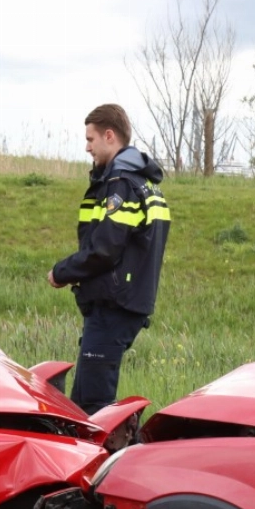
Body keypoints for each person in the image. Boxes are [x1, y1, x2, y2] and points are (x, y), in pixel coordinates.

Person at [48, 104, 170, 415]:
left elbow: (105, 248)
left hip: (113, 305)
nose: (87, 147)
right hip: (123, 302)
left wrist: (61, 272)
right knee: (84, 404)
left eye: (90, 139)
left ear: (109, 135)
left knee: (93, 409)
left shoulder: (121, 184)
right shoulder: (143, 181)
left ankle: (127, 461)